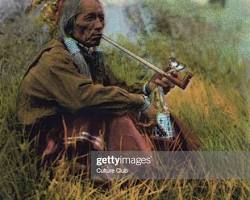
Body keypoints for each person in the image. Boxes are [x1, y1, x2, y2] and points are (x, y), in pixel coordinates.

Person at [17, 0, 199, 167]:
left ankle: (186, 165)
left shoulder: (89, 56)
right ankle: (140, 175)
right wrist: (140, 102)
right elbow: (83, 98)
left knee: (161, 117)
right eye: (90, 18)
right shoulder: (54, 59)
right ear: (70, 24)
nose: (98, 26)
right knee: (119, 119)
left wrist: (150, 87)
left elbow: (117, 90)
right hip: (48, 137)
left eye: (101, 18)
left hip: (75, 121)